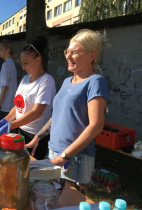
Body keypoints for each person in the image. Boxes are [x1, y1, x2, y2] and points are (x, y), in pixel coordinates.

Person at [30, 29, 109, 194]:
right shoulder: (67, 81)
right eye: (68, 51)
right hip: (55, 150)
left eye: (75, 52)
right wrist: (37, 138)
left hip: (75, 157)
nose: (68, 56)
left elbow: (96, 125)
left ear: (91, 56)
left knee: (69, 201)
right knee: (52, 197)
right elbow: (57, 116)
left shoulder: (96, 81)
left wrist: (64, 156)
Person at [0, 37, 56, 160]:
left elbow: (37, 112)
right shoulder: (25, 79)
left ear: (38, 60)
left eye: (26, 63)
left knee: (31, 173)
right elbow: (18, 107)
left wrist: (11, 125)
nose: (22, 67)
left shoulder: (46, 80)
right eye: (22, 63)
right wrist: (6, 120)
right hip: (20, 130)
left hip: (35, 135)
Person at [0, 40, 17, 127]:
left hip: (3, 107)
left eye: (0, 49)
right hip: (7, 106)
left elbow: (4, 87)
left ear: (7, 50)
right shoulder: (11, 64)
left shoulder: (6, 65)